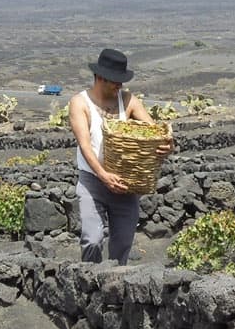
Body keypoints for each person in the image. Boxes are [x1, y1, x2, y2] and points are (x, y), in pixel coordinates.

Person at [68, 48, 171, 264]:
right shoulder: (80, 103)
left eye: (121, 81)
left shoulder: (128, 100)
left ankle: (115, 282)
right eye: (115, 80)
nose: (120, 85)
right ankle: (87, 279)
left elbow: (154, 131)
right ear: (100, 77)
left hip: (125, 184)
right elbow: (85, 146)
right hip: (93, 181)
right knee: (92, 239)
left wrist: (166, 144)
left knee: (123, 243)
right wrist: (104, 175)